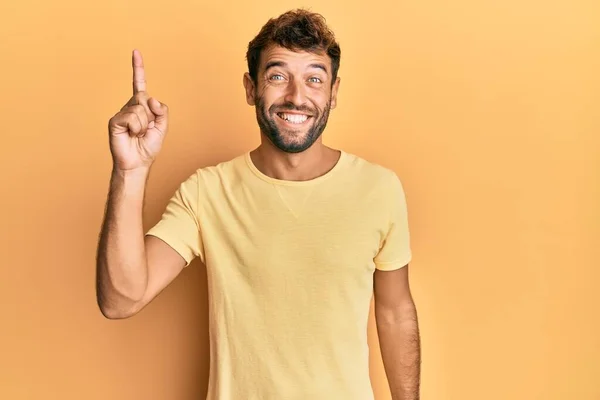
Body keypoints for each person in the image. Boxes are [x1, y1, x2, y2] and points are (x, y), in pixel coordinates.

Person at [96, 8, 420, 400]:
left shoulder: (378, 189)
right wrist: (130, 171)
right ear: (251, 89)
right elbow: (120, 299)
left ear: (333, 93)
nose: (296, 97)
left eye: (314, 79)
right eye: (278, 76)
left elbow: (395, 312)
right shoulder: (207, 192)